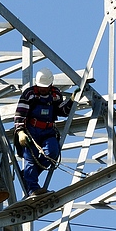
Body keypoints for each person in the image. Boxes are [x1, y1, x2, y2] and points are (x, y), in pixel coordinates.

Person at [13, 68, 72, 198]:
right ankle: (33, 189)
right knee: (31, 158)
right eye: (41, 87)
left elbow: (61, 111)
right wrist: (20, 131)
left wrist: (71, 101)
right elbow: (20, 113)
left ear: (50, 85)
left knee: (52, 153)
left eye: (45, 87)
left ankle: (28, 176)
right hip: (31, 130)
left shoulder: (55, 94)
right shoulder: (30, 94)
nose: (43, 89)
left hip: (48, 130)